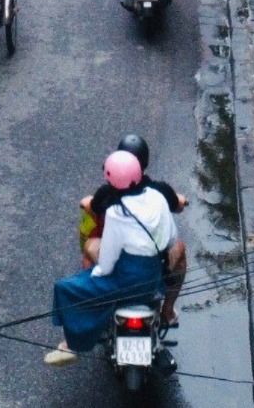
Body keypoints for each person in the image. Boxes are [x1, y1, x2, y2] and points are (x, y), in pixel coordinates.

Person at [45, 151, 177, 366]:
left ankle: (72, 344)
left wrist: (95, 274)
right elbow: (171, 237)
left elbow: (107, 262)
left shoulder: (117, 212)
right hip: (153, 276)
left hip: (125, 279)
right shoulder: (158, 198)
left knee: (66, 288)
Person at [81, 134, 189, 324]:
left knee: (90, 245)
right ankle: (168, 310)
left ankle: (95, 308)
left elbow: (93, 207)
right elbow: (177, 206)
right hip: (153, 269)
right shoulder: (159, 192)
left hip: (118, 268)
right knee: (179, 248)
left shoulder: (107, 196)